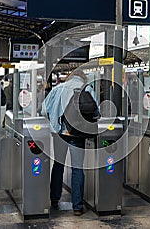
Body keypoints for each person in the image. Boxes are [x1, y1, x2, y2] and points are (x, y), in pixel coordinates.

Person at [41, 70, 98, 216]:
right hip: (78, 134)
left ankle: (54, 199)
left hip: (59, 132)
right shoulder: (88, 89)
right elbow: (96, 112)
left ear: (69, 77)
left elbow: (43, 109)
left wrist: (54, 119)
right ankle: (77, 207)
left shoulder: (58, 88)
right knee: (77, 168)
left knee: (58, 164)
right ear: (83, 78)